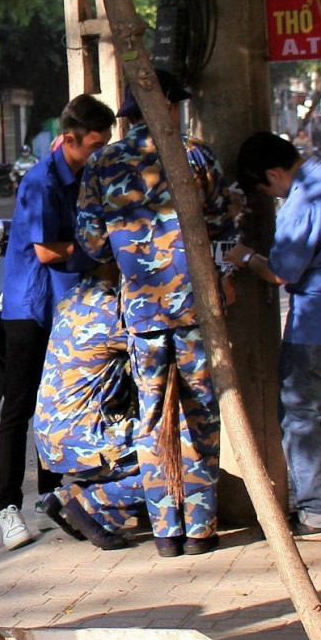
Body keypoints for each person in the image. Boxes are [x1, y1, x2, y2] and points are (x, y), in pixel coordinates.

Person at [76, 70, 226, 560]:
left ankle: (165, 533)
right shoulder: (196, 155)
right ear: (169, 108)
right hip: (194, 308)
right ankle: (200, 530)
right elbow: (225, 219)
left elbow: (91, 242)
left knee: (152, 417)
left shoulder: (102, 162)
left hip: (142, 315)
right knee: (199, 417)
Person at [230, 132, 321, 541]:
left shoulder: (304, 198)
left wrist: (244, 257)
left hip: (318, 323)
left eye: (268, 188)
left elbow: (282, 272)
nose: (274, 196)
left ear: (275, 172)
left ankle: (315, 513)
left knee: (301, 419)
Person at [0, 94, 115, 549]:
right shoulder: (42, 182)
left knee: (58, 408)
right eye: (94, 145)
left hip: (68, 308)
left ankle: (53, 496)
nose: (99, 153)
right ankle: (9, 508)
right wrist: (99, 259)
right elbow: (47, 251)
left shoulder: (89, 177)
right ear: (69, 139)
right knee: (20, 409)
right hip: (30, 309)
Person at [33, 271, 150, 549]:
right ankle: (91, 507)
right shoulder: (112, 315)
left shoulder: (69, 302)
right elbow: (158, 350)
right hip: (84, 439)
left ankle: (64, 498)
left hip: (51, 439)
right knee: (176, 456)